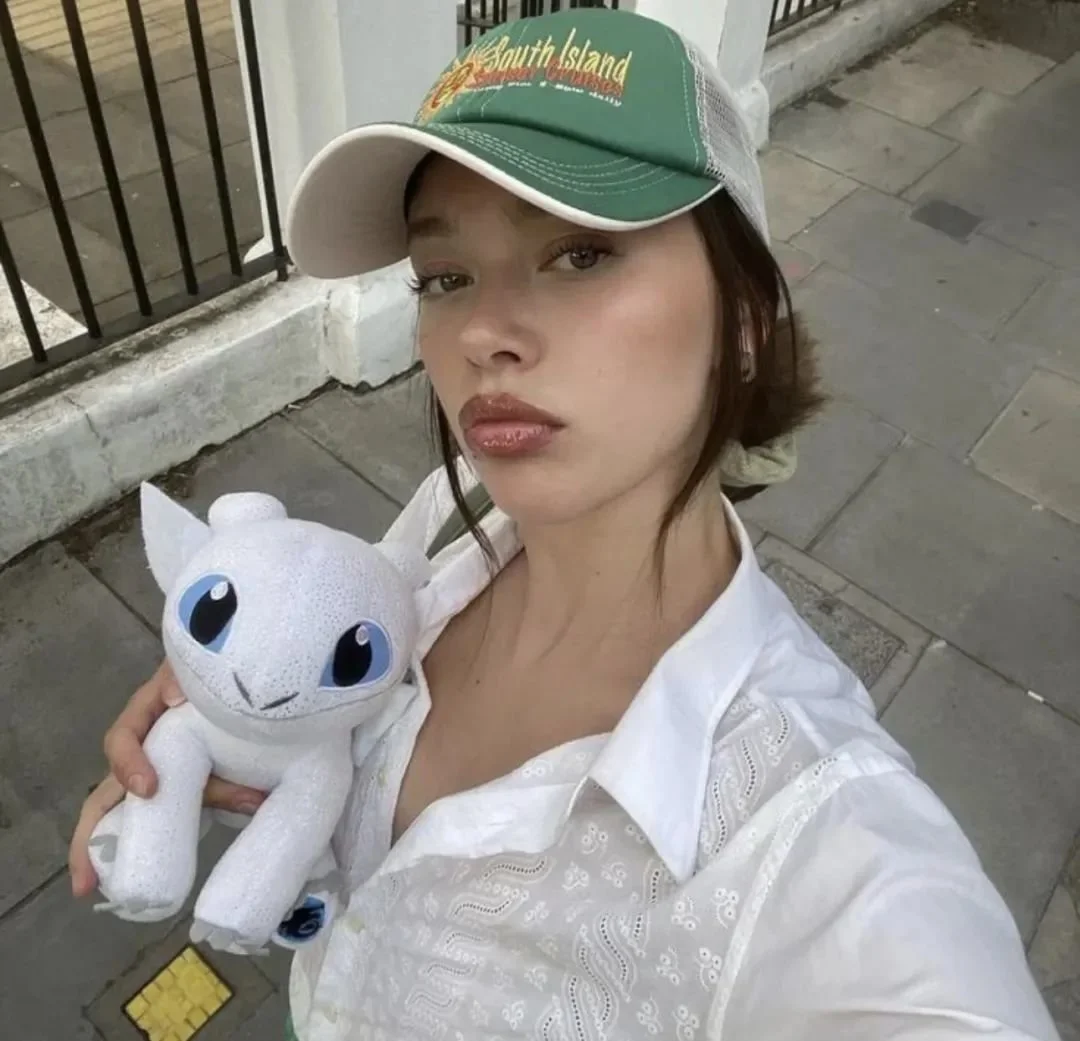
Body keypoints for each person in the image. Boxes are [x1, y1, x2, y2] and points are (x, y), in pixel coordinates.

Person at [69, 8, 1060, 1040]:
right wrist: (236, 716)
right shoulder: (428, 570)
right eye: (444, 277)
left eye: (580, 254)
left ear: (746, 325)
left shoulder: (830, 853)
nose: (482, 332)